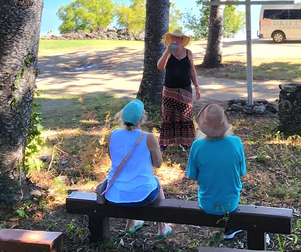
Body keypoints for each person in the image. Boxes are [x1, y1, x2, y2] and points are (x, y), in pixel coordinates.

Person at [104, 99, 173, 238]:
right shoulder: (148, 137)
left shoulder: (113, 135)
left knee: (130, 180)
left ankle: (131, 224)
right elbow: (158, 164)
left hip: (115, 194)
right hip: (142, 196)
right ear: (141, 119)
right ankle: (162, 227)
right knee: (155, 183)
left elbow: (113, 158)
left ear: (122, 117)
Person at [186, 103, 247, 240]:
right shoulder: (236, 142)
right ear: (225, 124)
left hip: (206, 203)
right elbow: (242, 172)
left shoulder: (197, 146)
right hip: (231, 203)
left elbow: (191, 175)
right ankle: (230, 228)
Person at [156, 29, 200, 150]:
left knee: (185, 115)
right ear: (171, 39)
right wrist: (166, 52)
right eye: (174, 38)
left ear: (181, 39)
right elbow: (160, 67)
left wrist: (197, 87)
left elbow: (192, 71)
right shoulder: (168, 53)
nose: (176, 40)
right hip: (170, 89)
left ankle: (184, 141)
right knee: (168, 116)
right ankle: (165, 142)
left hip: (185, 89)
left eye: (178, 38)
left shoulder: (188, 53)